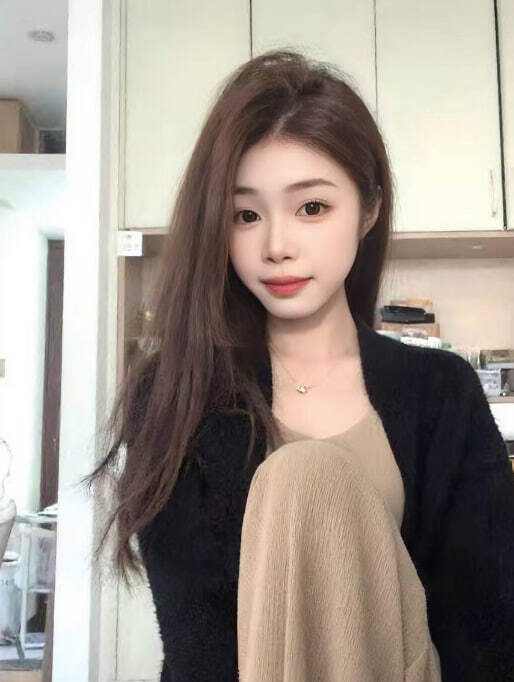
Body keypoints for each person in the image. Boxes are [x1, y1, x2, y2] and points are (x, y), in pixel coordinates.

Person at [82, 50, 514, 681]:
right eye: (245, 215)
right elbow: (197, 642)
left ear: (368, 208)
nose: (277, 246)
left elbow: (485, 627)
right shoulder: (178, 392)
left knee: (308, 474)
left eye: (311, 208)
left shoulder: (442, 391)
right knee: (302, 477)